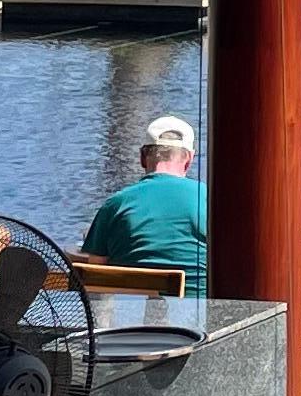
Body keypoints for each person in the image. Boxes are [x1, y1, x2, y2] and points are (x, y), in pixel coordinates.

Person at [81, 115, 208, 286]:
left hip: (129, 307)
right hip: (201, 308)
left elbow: (96, 274)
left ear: (142, 157)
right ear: (189, 160)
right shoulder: (211, 198)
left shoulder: (116, 204)